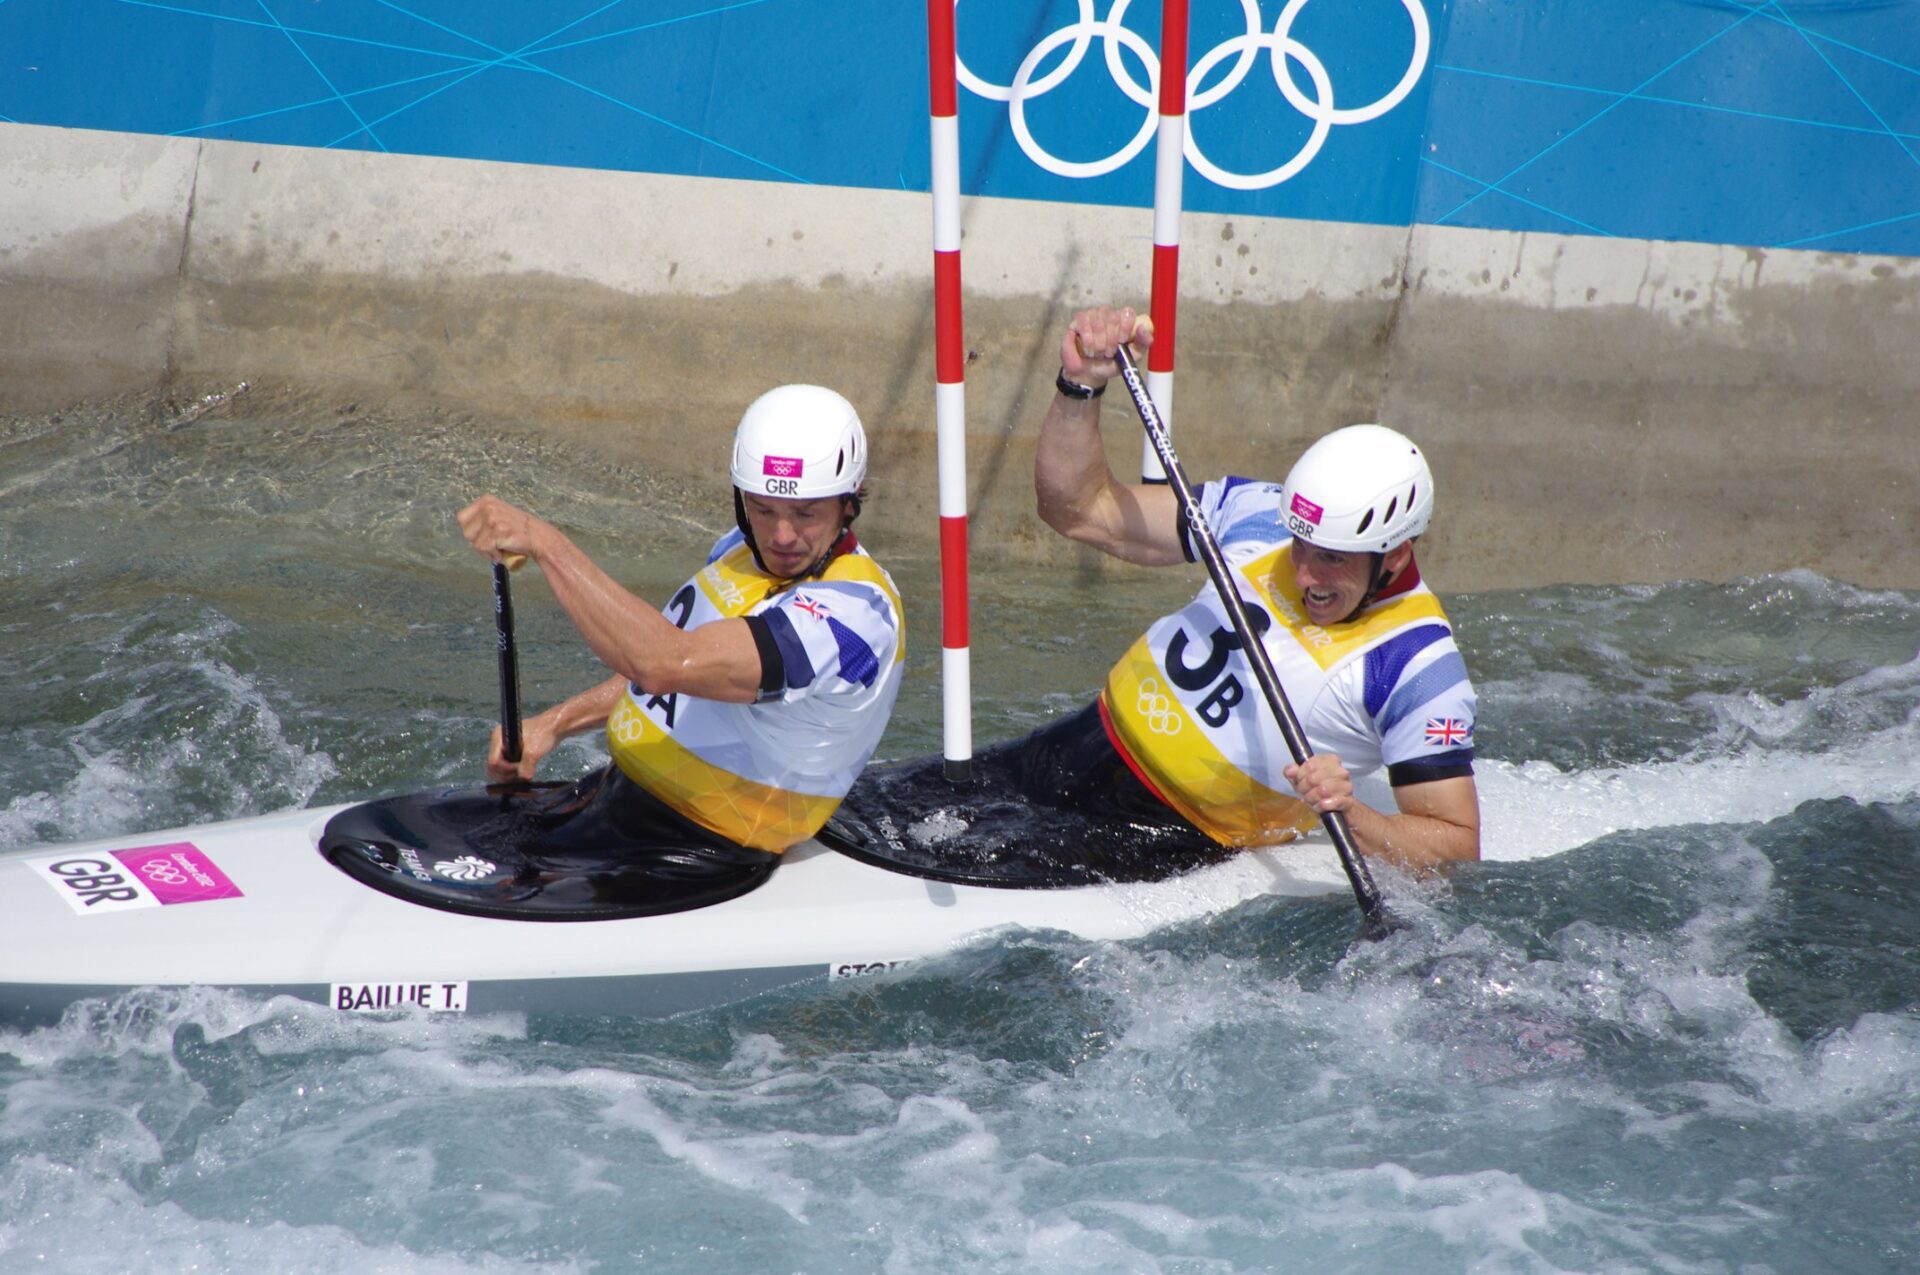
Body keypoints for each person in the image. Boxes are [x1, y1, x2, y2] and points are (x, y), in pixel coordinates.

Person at [821, 306, 1475, 882]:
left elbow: (1454, 842)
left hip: (1158, 834)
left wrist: (1353, 811)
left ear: (1393, 553)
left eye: (1331, 560)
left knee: (901, 852)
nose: (1303, 572)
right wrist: (1080, 386)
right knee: (842, 803)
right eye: (1301, 546)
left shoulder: (1417, 665)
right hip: (1074, 747)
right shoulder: (1260, 515)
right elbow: (1079, 509)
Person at [449, 383, 906, 896]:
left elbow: (665, 663)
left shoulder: (851, 616)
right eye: (762, 508)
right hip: (617, 801)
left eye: (805, 514)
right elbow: (682, 673)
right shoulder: (741, 548)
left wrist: (544, 543)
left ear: (849, 503)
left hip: (697, 851)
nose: (780, 536)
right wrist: (556, 724)